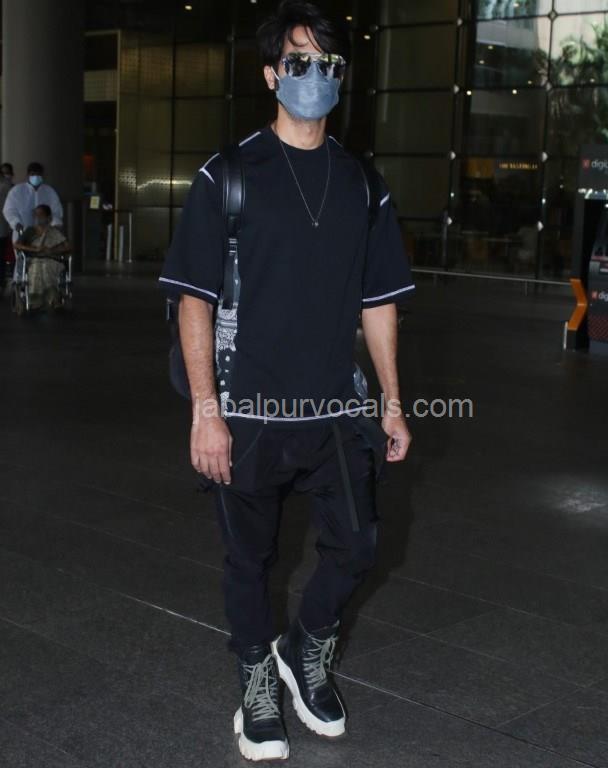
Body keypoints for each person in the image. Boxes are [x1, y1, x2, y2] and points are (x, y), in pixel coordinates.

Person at [160, 0, 415, 761]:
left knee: (359, 545)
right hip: (247, 411)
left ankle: (305, 647)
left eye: (328, 62)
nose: (315, 74)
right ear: (272, 74)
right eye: (299, 60)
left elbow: (379, 303)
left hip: (334, 409)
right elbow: (194, 300)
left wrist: (393, 402)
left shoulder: (362, 185)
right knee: (250, 560)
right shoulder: (229, 176)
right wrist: (205, 412)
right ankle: (255, 679)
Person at [17, 204, 69, 309]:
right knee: (36, 267)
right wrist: (35, 249)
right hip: (34, 260)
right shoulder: (30, 230)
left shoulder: (54, 231)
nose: (38, 217)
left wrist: (52, 250)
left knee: (46, 266)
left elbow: (68, 247)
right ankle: (35, 300)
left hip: (52, 259)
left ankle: (53, 298)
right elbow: (17, 245)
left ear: (49, 218)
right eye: (36, 215)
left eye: (41, 215)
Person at [3, 162, 63, 241]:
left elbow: (56, 211)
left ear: (43, 175)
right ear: (27, 175)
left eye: (38, 174)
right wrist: (16, 224)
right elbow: (9, 211)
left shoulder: (49, 192)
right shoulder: (17, 191)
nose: (36, 177)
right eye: (33, 174)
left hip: (45, 236)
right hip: (22, 235)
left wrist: (55, 224)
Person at [0, 163, 13, 293]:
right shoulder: (6, 186)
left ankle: (1, 282)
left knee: (1, 257)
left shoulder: (5, 186)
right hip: (3, 228)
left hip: (3, 228)